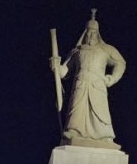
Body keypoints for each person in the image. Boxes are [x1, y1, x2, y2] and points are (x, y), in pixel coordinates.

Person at [51, 9, 126, 148]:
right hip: (80, 84)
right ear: (85, 33)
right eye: (89, 32)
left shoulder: (106, 49)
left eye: (94, 32)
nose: (91, 35)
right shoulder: (78, 51)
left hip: (98, 85)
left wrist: (111, 78)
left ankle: (105, 136)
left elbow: (120, 63)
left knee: (101, 112)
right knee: (77, 111)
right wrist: (56, 66)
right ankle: (74, 131)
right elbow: (64, 71)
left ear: (98, 34)